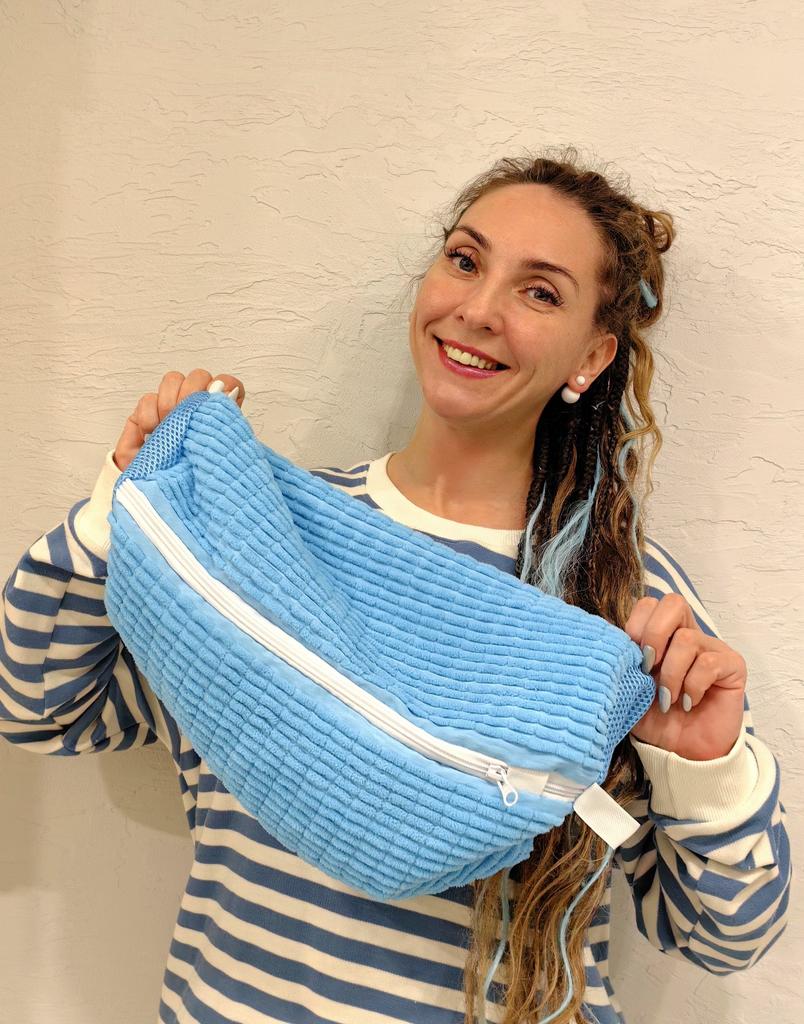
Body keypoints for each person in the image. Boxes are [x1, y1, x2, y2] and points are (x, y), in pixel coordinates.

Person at [0, 147, 790, 1024]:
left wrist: (703, 767)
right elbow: (42, 709)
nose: (478, 309)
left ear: (591, 356)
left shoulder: (626, 603)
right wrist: (123, 504)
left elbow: (724, 938)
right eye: (465, 260)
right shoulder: (259, 533)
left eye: (539, 292)